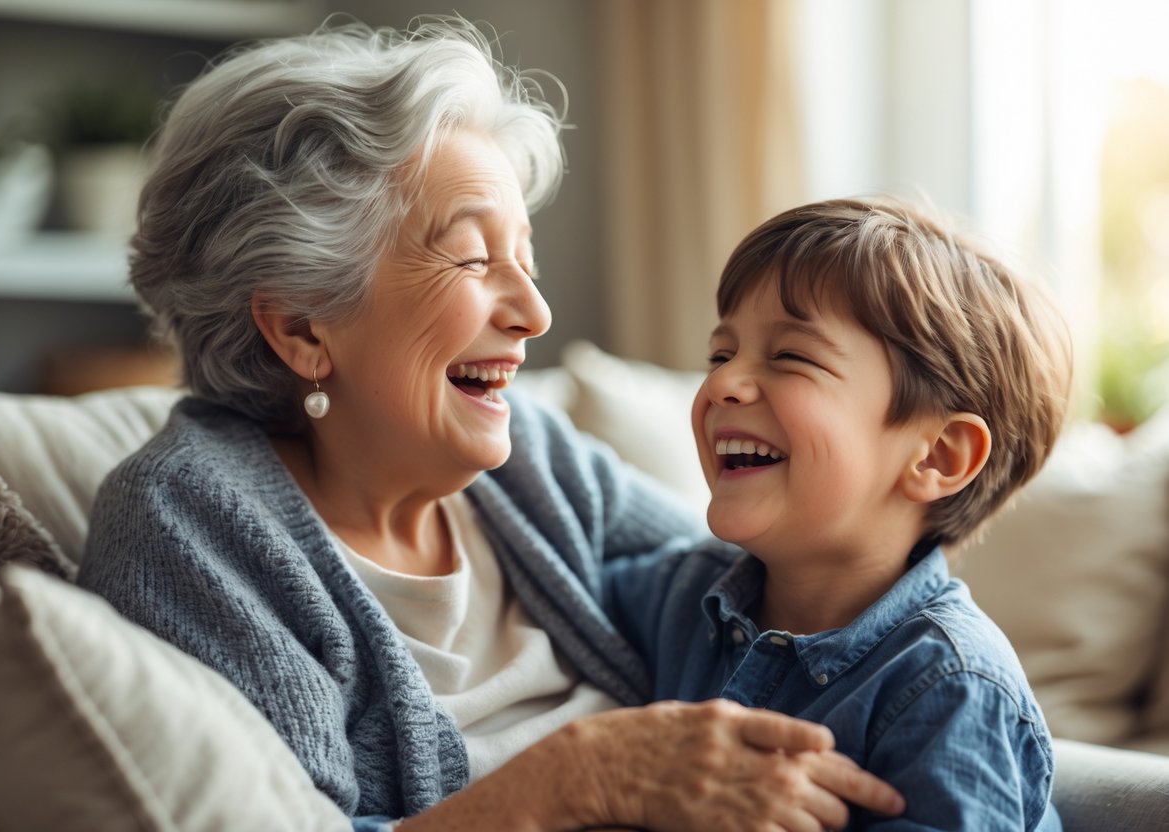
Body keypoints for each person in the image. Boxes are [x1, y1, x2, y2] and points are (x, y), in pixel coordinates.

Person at [75, 17, 906, 832]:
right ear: (300, 328)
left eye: (527, 261)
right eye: (474, 259)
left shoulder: (533, 466)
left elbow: (764, 598)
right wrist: (582, 777)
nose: (535, 313)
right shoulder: (189, 525)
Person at [604, 197, 1073, 830]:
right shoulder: (674, 595)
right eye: (721, 355)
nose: (721, 384)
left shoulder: (952, 685)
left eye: (791, 356)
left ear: (937, 454)